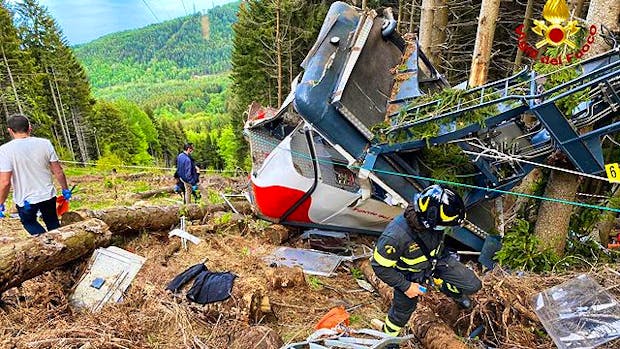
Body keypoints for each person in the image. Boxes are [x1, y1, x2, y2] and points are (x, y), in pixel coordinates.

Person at [371, 184, 482, 344]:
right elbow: (380, 266)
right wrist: (406, 286)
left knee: (472, 284)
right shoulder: (395, 237)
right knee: (400, 315)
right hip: (409, 276)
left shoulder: (433, 217)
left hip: (437, 261)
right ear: (429, 220)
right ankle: (389, 340)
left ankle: (446, 287)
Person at [0, 114, 72, 235]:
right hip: (47, 194)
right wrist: (65, 190)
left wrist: (1, 202)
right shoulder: (45, 144)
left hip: (25, 200)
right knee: (52, 222)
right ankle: (57, 242)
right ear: (30, 128)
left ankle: (47, 243)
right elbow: (58, 171)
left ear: (10, 130)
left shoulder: (5, 150)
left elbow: (5, 182)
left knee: (29, 222)